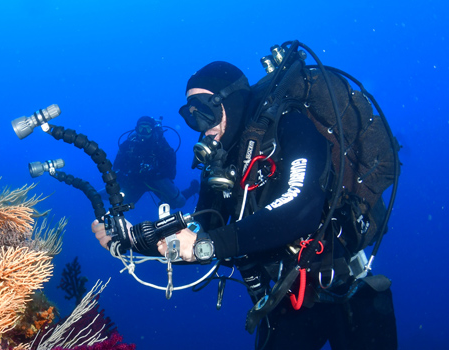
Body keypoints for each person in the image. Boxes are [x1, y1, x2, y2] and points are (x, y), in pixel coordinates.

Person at [92, 61, 397, 349]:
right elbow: (200, 233)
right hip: (286, 298)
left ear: (231, 101)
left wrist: (207, 244)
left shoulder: (291, 124)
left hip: (345, 289)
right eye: (192, 116)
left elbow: (301, 208)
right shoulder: (220, 166)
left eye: (206, 112)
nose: (202, 126)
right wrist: (134, 241)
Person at [109, 116, 199, 210]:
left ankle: (193, 189)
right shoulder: (127, 146)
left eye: (147, 129)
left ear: (153, 130)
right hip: (134, 181)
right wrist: (122, 177)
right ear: (136, 129)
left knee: (178, 203)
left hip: (156, 180)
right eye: (141, 128)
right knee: (119, 202)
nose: (144, 132)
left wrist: (157, 173)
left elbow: (171, 173)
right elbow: (116, 167)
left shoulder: (161, 146)